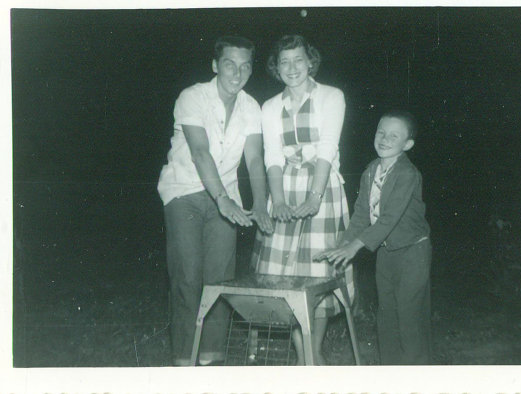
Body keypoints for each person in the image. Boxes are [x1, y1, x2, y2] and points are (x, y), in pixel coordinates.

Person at [157, 35, 273, 367]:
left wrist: (261, 203)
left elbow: (254, 159)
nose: (237, 73)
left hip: (228, 197)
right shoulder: (192, 97)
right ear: (215, 66)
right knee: (188, 278)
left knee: (220, 281)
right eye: (229, 64)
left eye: (245, 65)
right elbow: (199, 151)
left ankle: (211, 361)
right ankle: (183, 361)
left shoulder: (251, 107)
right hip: (185, 192)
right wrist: (222, 199)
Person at [250, 34, 353, 365]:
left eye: (298, 60)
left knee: (316, 273)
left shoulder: (331, 97)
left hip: (322, 189)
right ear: (275, 68)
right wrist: (277, 200)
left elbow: (327, 148)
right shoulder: (269, 107)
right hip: (285, 189)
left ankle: (312, 353)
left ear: (311, 62)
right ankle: (302, 352)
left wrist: (315, 196)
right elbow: (272, 157)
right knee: (281, 273)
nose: (292, 68)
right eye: (284, 61)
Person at [314, 110, 432, 365]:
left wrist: (355, 247)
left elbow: (389, 218)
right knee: (386, 314)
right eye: (381, 132)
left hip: (413, 252)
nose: (385, 139)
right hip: (386, 252)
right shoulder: (371, 170)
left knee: (408, 314)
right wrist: (342, 245)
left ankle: (416, 373)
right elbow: (361, 215)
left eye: (394, 136)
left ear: (407, 145)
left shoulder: (408, 174)